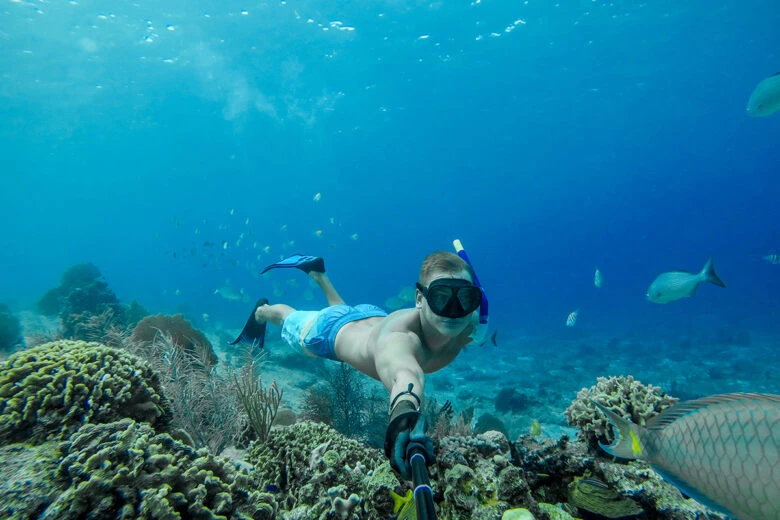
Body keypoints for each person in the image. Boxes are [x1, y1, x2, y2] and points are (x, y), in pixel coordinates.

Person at [231, 251, 488, 480]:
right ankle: (262, 311)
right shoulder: (400, 339)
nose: (454, 310)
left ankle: (319, 275)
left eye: (466, 298)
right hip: (328, 330)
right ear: (420, 299)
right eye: (441, 297)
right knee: (288, 318)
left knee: (344, 312)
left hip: (371, 317)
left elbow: (474, 321)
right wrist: (403, 414)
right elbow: (404, 372)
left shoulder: (470, 323)